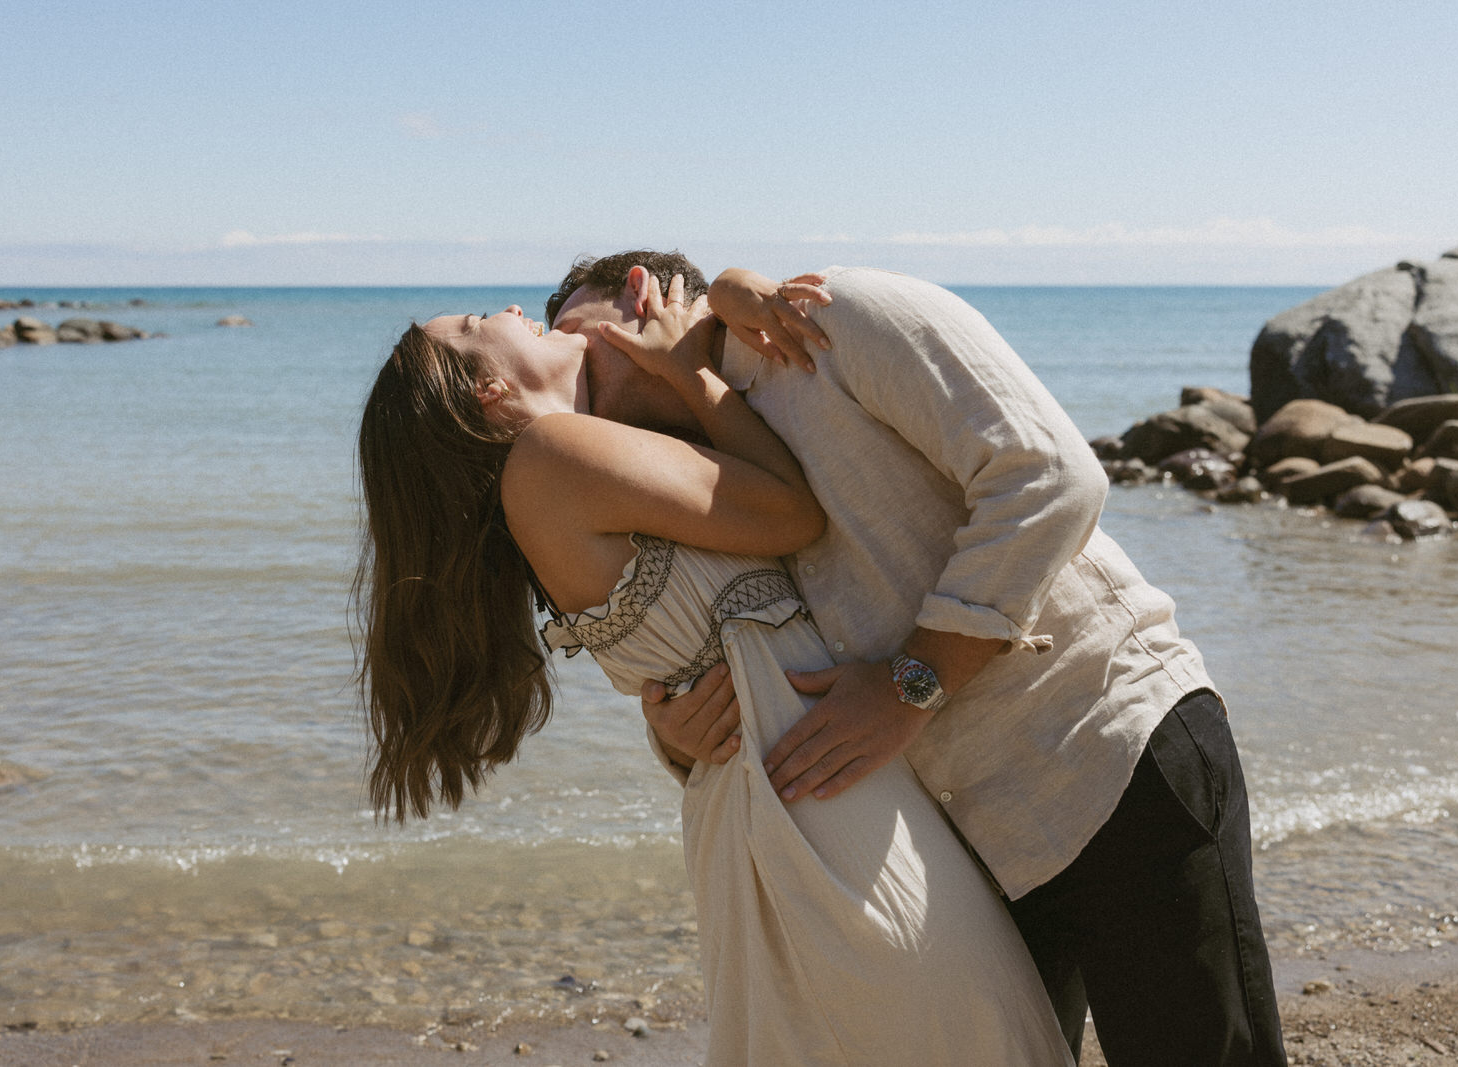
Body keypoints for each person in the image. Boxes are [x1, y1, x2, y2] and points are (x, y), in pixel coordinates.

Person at [547, 252, 1288, 1066]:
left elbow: (1051, 476)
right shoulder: (690, 479)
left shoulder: (838, 315)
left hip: (1111, 749)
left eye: (573, 343)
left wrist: (911, 684)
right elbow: (747, 654)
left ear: (638, 292)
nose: (569, 386)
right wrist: (681, 737)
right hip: (970, 846)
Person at [353, 280, 1075, 1065]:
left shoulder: (551, 478)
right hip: (815, 802)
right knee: (957, 1024)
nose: (509, 310)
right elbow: (791, 513)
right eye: (475, 323)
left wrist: (728, 292)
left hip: (783, 784)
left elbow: (695, 638)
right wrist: (694, 375)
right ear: (489, 390)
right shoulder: (552, 454)